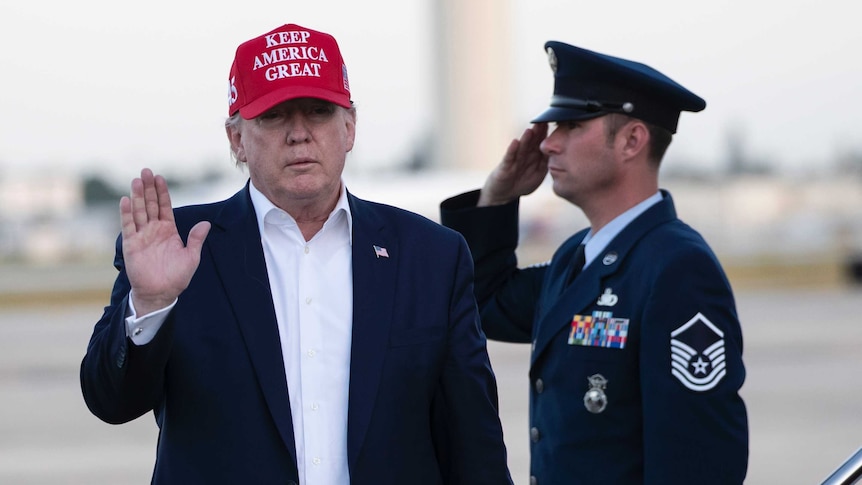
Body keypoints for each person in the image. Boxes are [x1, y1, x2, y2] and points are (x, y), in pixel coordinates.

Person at [80, 23, 514, 485]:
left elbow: (474, 446)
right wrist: (151, 306)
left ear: (348, 128)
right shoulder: (180, 244)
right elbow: (112, 402)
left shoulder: (430, 256)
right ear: (236, 139)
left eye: (318, 112)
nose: (299, 134)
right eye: (274, 116)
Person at [440, 41, 749, 484]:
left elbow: (698, 462)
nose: (548, 144)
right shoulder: (576, 257)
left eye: (569, 124)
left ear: (631, 140)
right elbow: (484, 302)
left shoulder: (677, 269)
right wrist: (498, 197)